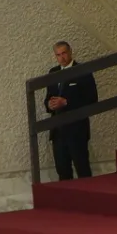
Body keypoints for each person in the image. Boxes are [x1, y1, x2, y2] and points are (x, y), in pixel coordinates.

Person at [43, 41, 98, 181]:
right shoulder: (53, 73)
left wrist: (66, 102)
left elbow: (92, 99)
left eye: (64, 53)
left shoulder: (82, 71)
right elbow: (48, 98)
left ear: (70, 52)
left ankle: (88, 200)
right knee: (62, 170)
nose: (62, 57)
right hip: (58, 131)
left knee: (82, 168)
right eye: (58, 55)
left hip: (77, 129)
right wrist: (50, 104)